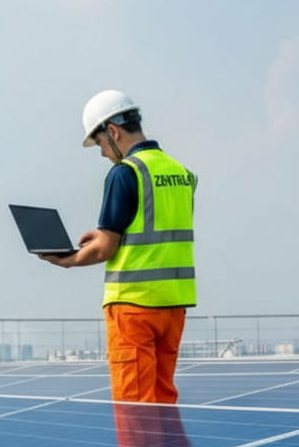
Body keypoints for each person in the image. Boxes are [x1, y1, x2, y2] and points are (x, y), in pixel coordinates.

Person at [40, 90, 196, 403]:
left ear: (113, 131)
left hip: (133, 307)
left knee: (135, 407)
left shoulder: (125, 173)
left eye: (99, 142)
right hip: (173, 306)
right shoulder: (180, 172)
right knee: (162, 402)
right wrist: (102, 234)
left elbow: (106, 249)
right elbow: (151, 227)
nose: (102, 153)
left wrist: (68, 260)